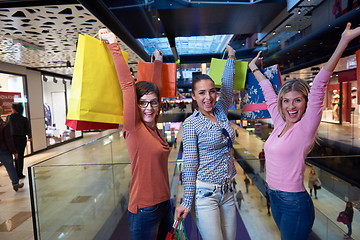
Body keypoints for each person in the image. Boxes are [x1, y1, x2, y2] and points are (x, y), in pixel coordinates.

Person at [248, 23, 360, 240]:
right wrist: (254, 68)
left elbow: (319, 83)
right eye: (287, 101)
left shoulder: (305, 128)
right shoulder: (280, 123)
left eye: (297, 100)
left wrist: (344, 41)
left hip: (294, 203)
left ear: (306, 103)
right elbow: (269, 92)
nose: (291, 106)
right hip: (274, 196)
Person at [100, 29, 173, 240]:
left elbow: (155, 89)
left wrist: (158, 63)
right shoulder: (134, 127)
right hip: (144, 210)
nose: (148, 108)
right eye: (142, 103)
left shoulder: (153, 126)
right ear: (136, 106)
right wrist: (113, 44)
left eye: (153, 102)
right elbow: (127, 86)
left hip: (164, 204)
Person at [175, 45, 237, 240]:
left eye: (211, 91)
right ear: (193, 96)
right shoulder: (191, 123)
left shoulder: (220, 111)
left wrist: (231, 58)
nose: (208, 97)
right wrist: (186, 200)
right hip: (205, 193)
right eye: (202, 93)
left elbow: (227, 88)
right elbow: (191, 163)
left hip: (228, 191)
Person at [0, 107, 24, 192]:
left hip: (3, 150)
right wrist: (14, 151)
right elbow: (9, 140)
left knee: (10, 167)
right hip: (3, 150)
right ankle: (15, 184)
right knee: (10, 167)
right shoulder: (4, 125)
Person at [7, 103, 31, 179]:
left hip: (12, 139)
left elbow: (6, 128)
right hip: (21, 139)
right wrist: (30, 136)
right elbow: (27, 129)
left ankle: (14, 174)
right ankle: (19, 173)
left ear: (14, 109)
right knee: (20, 156)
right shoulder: (24, 119)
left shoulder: (9, 118)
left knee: (13, 155)